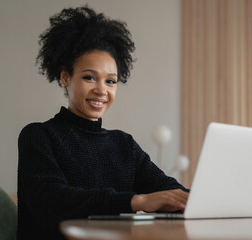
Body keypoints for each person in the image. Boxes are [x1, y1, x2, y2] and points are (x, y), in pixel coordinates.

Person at [17, 6, 188, 240]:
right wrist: (136, 201)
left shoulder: (123, 144)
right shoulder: (38, 136)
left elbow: (168, 190)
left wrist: (196, 200)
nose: (101, 90)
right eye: (89, 77)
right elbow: (52, 202)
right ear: (66, 76)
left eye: (111, 81)